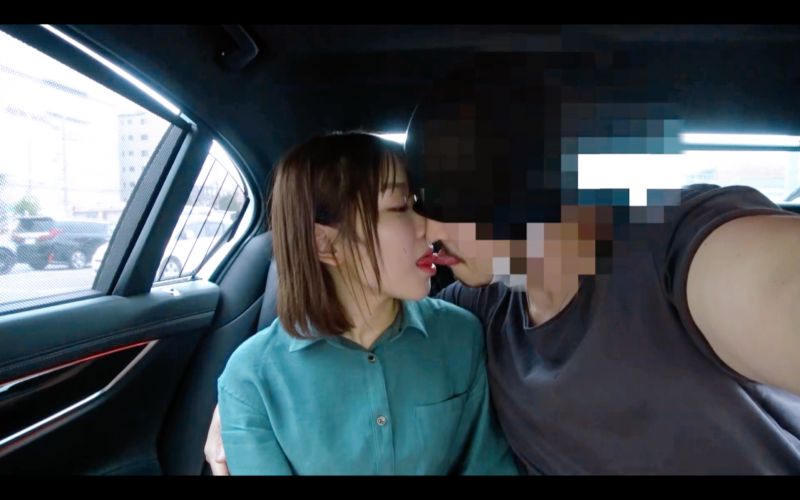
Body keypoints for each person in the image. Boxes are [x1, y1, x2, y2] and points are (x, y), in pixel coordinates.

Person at [209, 54, 800, 474]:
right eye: (407, 204)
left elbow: (767, 283)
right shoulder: (481, 306)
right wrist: (245, 395)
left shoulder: (665, 247)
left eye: (432, 199)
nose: (422, 227)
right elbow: (345, 335)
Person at [215, 132, 519, 475]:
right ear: (325, 244)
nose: (429, 226)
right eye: (401, 207)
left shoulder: (460, 335)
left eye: (418, 204)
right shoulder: (251, 382)